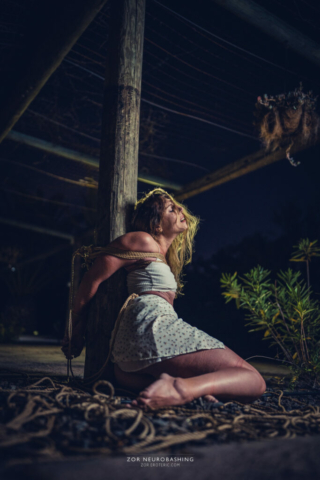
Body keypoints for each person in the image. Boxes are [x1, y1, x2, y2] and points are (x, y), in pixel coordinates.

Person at [62, 188, 266, 409]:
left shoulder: (160, 256)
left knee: (233, 384)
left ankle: (184, 388)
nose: (180, 208)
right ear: (157, 225)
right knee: (253, 380)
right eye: (171, 208)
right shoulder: (143, 240)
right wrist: (75, 329)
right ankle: (182, 390)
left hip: (134, 354)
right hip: (151, 330)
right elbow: (91, 279)